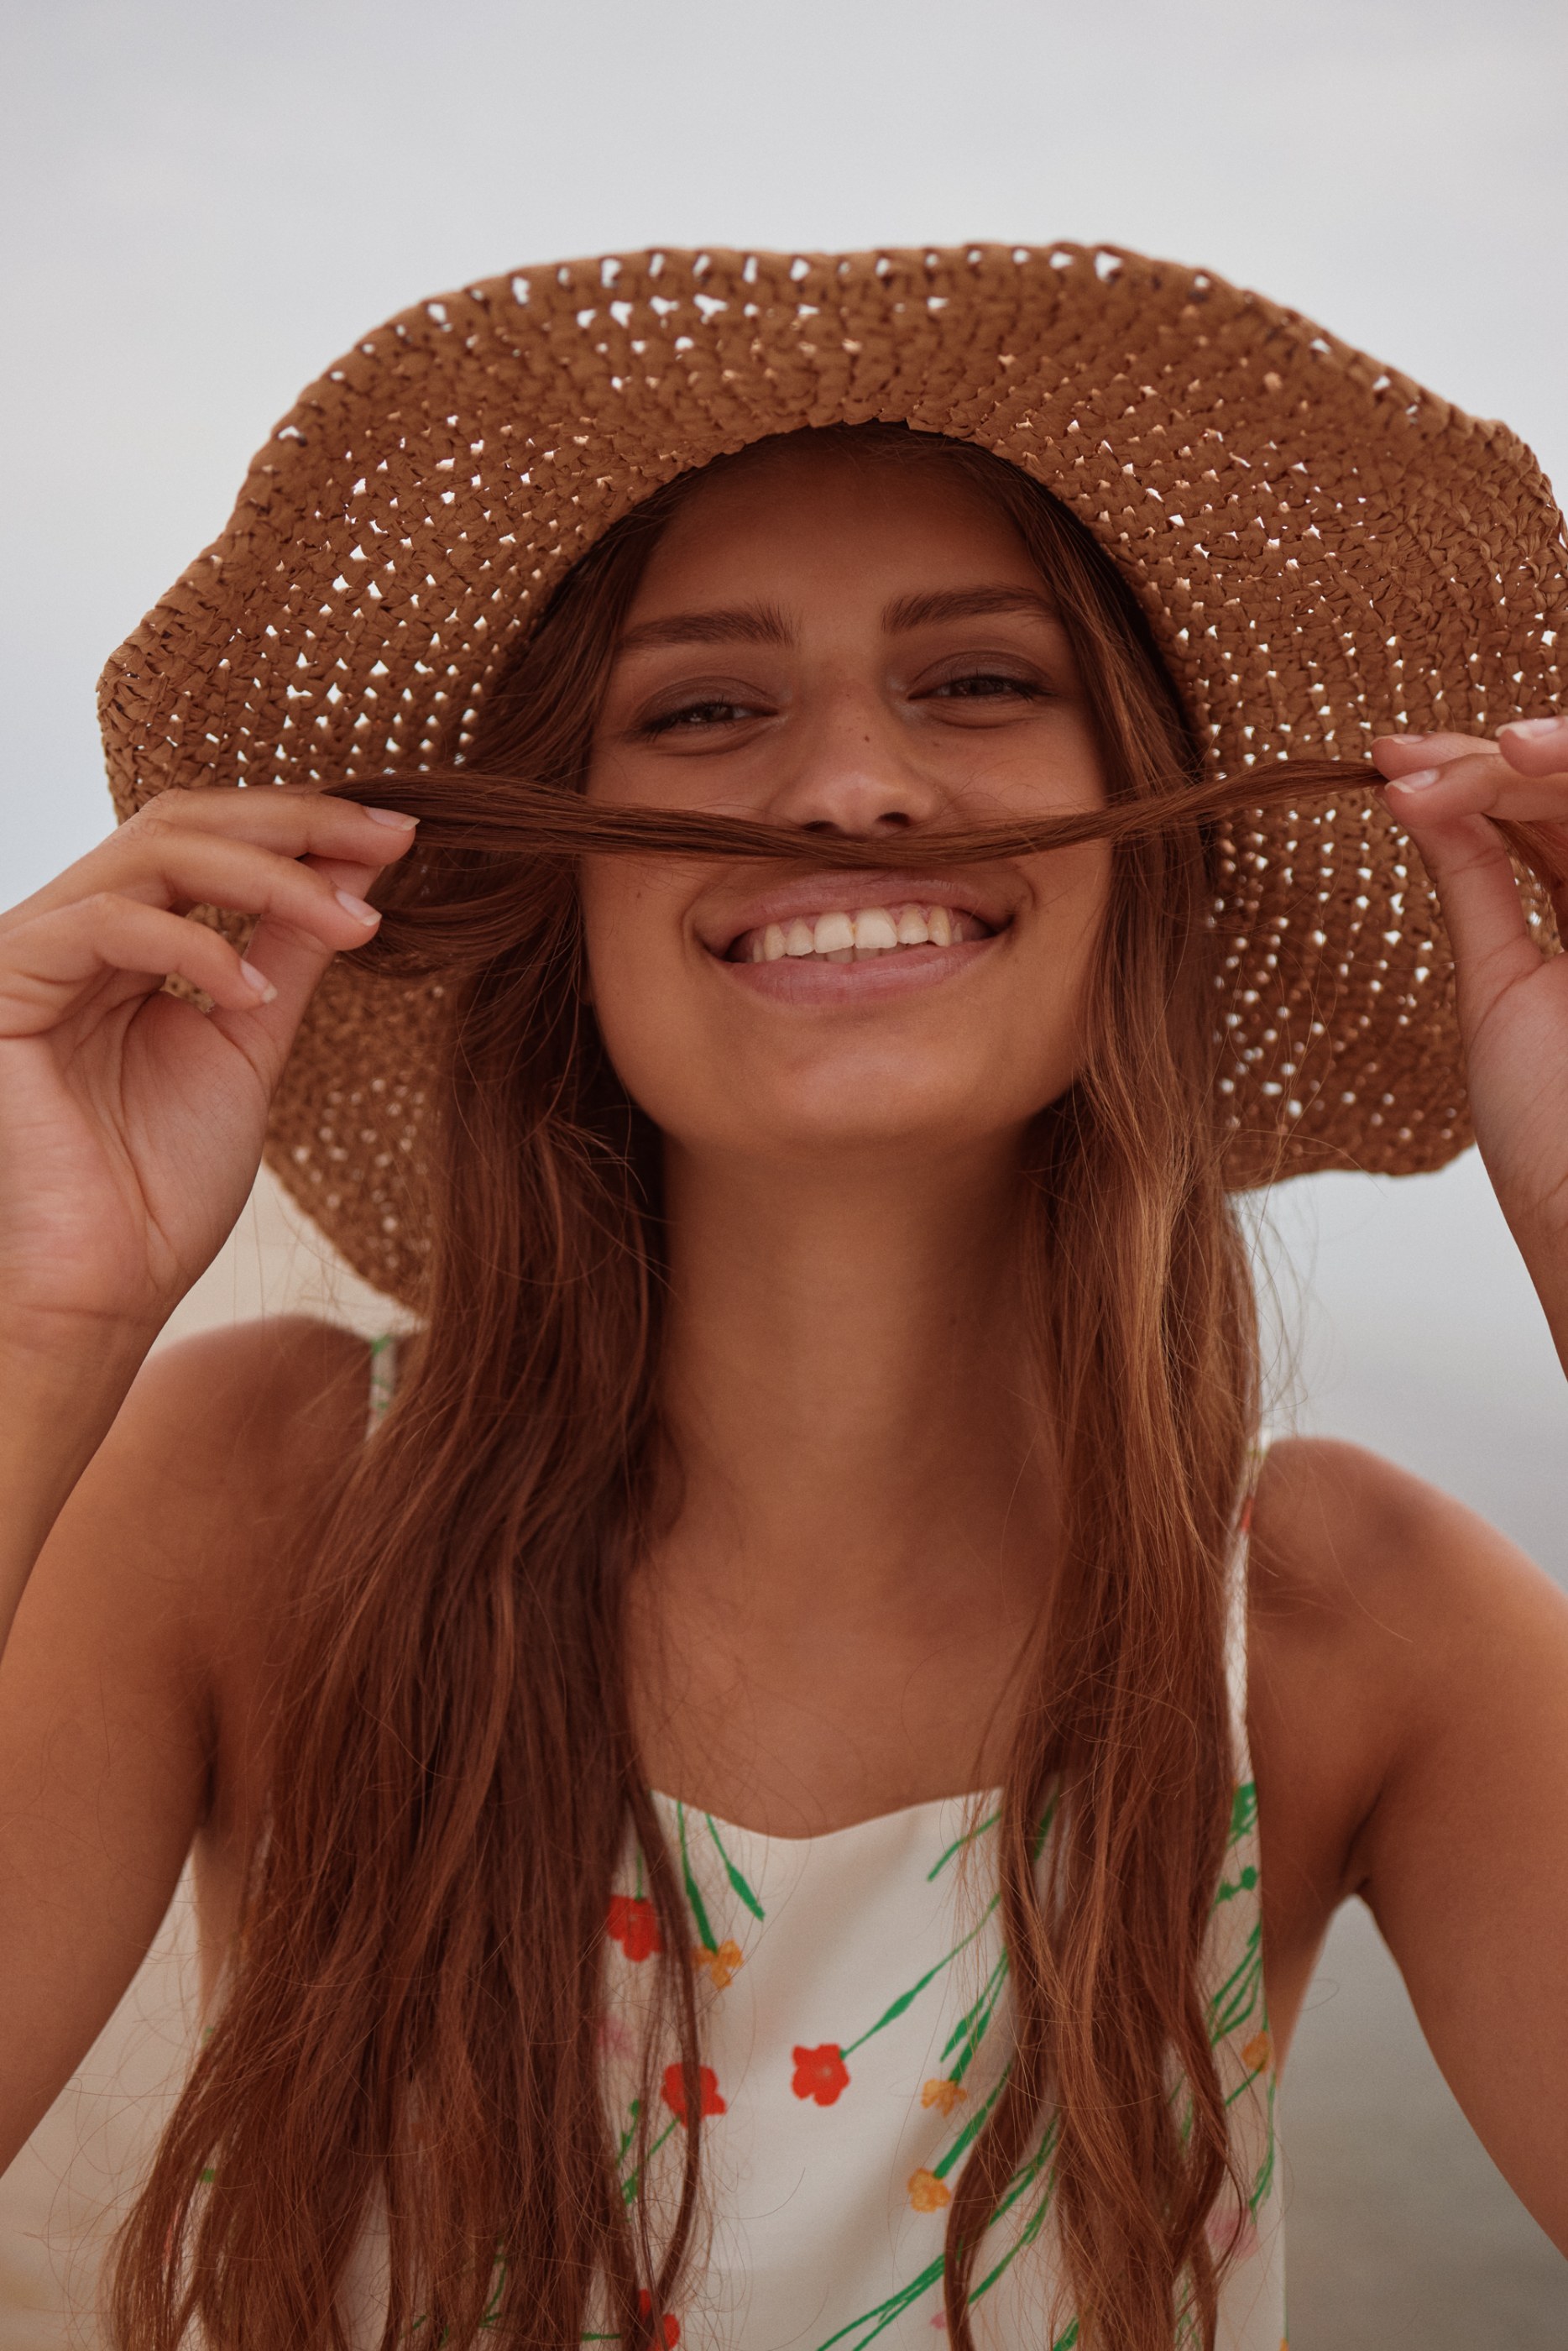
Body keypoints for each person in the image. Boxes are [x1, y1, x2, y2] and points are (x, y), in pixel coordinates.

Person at [1, 241, 1566, 2351]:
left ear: (1152, 864)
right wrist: (41, 1324)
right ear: (558, 884)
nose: (848, 787)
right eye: (706, 708)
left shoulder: (1347, 1625)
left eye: (983, 682)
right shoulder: (264, 1499)